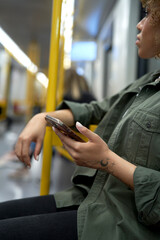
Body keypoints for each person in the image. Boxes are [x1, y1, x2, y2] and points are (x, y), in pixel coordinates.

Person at [0, 0, 160, 239]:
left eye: (148, 15)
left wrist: (106, 160)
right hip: (92, 198)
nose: (139, 24)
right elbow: (97, 109)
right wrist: (43, 117)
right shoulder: (147, 82)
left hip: (120, 224)